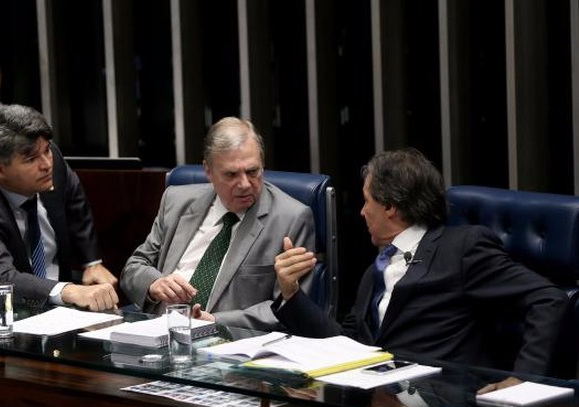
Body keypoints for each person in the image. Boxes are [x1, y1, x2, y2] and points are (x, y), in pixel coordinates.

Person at [272, 148, 569, 383]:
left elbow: (548, 299)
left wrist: (522, 381)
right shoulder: (375, 269)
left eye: (366, 201)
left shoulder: (462, 248)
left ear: (390, 207)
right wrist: (292, 294)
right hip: (377, 401)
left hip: (444, 405)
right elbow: (347, 345)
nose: (361, 212)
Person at [120, 116, 315, 330]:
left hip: (228, 345)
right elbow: (133, 268)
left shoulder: (292, 218)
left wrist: (216, 322)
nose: (244, 184)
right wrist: (153, 284)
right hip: (157, 331)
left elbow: (292, 309)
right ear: (208, 171)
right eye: (231, 174)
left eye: (253, 172)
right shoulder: (176, 201)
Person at [0, 104, 119, 312]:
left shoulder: (53, 163)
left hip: (54, 303)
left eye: (46, 150)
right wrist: (69, 291)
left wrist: (92, 262)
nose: (46, 164)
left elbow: (75, 204)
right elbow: (0, 279)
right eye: (31, 159)